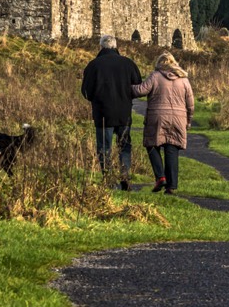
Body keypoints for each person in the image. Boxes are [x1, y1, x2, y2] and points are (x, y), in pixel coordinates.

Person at [81, 34, 141, 190]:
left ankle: (108, 178)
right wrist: (127, 98)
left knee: (104, 147)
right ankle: (125, 175)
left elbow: (86, 91)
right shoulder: (128, 64)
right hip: (123, 113)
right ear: (115, 47)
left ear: (100, 47)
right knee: (124, 145)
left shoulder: (93, 65)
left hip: (103, 113)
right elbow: (137, 87)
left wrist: (97, 99)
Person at [132, 52, 194, 195]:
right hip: (178, 118)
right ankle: (171, 186)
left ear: (159, 63)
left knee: (152, 145)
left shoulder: (156, 76)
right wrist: (189, 121)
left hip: (157, 116)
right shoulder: (184, 80)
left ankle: (160, 177)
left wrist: (125, 86)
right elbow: (190, 104)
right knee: (172, 150)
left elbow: (141, 90)